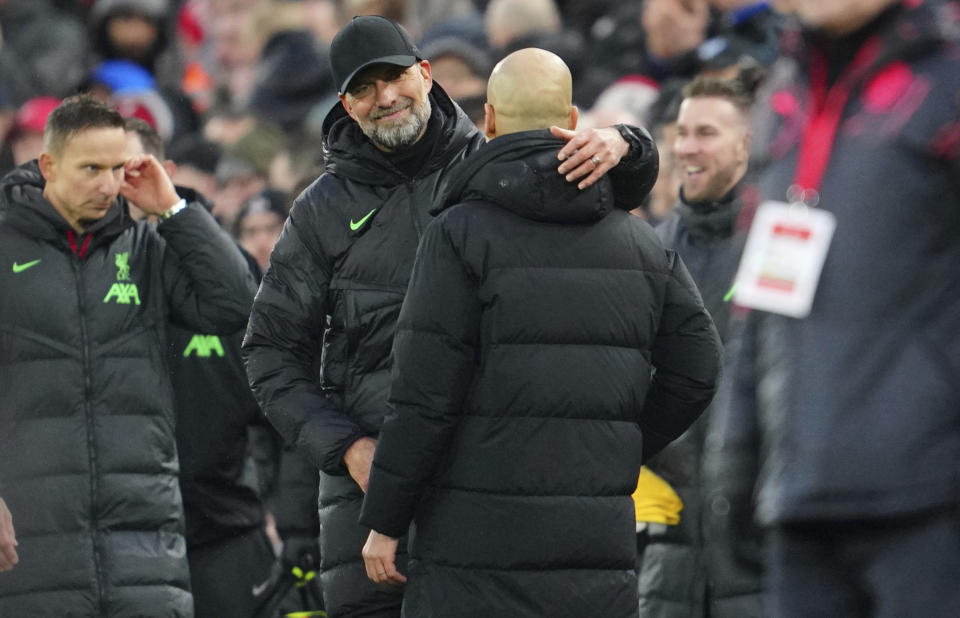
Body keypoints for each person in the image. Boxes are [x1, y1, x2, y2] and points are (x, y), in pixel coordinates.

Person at [242, 14, 653, 618]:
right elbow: (269, 352)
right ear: (345, 104)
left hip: (484, 492)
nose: (384, 98)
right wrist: (347, 446)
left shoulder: (493, 165)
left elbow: (608, 193)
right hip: (366, 506)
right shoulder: (319, 211)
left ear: (426, 74)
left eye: (395, 78)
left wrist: (627, 143)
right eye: (364, 88)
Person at [357, 47, 722, 617]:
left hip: (470, 553)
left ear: (490, 123)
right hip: (595, 555)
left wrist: (385, 517)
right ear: (573, 122)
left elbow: (423, 395)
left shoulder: (457, 234)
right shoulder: (644, 242)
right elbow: (699, 371)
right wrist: (611, 446)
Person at [708, 0, 960, 616]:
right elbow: (760, 304)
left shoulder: (948, 81)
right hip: (803, 499)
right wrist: (737, 463)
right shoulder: (784, 98)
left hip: (930, 502)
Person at [0, 94, 256, 616]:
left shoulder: (146, 246)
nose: (106, 185)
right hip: (31, 546)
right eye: (90, 168)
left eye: (117, 169)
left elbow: (234, 305)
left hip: (143, 546)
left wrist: (176, 210)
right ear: (47, 165)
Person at [124, 116, 279, 618]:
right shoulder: (77, 269)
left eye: (129, 169)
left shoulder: (219, 265)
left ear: (162, 171)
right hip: (126, 534)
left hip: (223, 527)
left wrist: (280, 511)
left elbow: (277, 403)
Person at [637, 71, 764, 618]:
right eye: (681, 132)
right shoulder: (646, 250)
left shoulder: (783, 243)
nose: (686, 147)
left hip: (756, 539)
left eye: (706, 133)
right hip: (666, 548)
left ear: (747, 144)